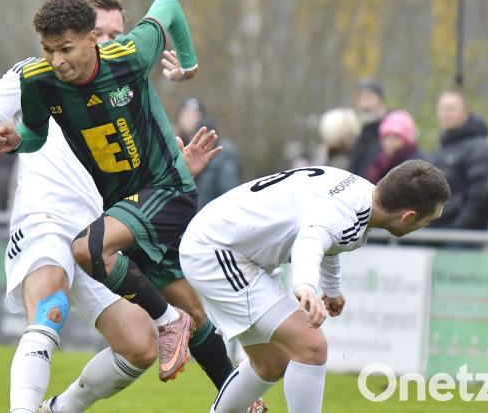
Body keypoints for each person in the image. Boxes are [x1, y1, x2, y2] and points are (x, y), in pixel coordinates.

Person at [0, 0, 246, 413]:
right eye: (106, 32)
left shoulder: (124, 73)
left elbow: (139, 160)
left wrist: (180, 166)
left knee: (139, 347)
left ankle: (57, 409)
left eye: (118, 34)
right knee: (50, 308)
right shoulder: (37, 77)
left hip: (102, 229)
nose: (113, 40)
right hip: (47, 218)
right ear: (84, 32)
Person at [0, 0, 203, 384]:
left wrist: (188, 64)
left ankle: (183, 333)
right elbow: (35, 134)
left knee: (165, 307)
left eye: (65, 49)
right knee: (125, 326)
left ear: (92, 39)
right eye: (48, 50)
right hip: (87, 213)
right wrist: (16, 140)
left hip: (153, 195)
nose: (56, 61)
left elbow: (170, 4)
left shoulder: (131, 56)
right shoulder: (38, 81)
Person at [180, 160, 449, 412]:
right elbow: (312, 238)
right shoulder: (343, 214)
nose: (426, 225)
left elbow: (329, 240)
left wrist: (331, 288)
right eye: (428, 220)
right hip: (216, 251)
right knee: (311, 346)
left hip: (231, 248)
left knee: (271, 363)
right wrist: (305, 286)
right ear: (407, 217)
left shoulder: (360, 193)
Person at [429, 90, 488, 230]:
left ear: (465, 113)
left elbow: (479, 198)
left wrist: (457, 228)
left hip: (463, 236)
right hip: (437, 232)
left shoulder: (479, 148)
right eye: (443, 109)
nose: (446, 114)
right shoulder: (440, 148)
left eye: (451, 109)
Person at [175, 97, 240, 209]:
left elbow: (229, 194)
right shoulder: (176, 146)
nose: (189, 119)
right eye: (186, 115)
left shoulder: (223, 153)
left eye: (194, 115)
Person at [365, 110, 424, 183]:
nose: (390, 142)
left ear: (407, 140)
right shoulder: (380, 162)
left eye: (396, 137)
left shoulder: (415, 166)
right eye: (386, 137)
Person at [347, 79, 388, 176]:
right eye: (361, 98)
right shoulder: (358, 131)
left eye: (369, 98)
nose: (365, 104)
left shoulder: (390, 131)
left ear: (380, 101)